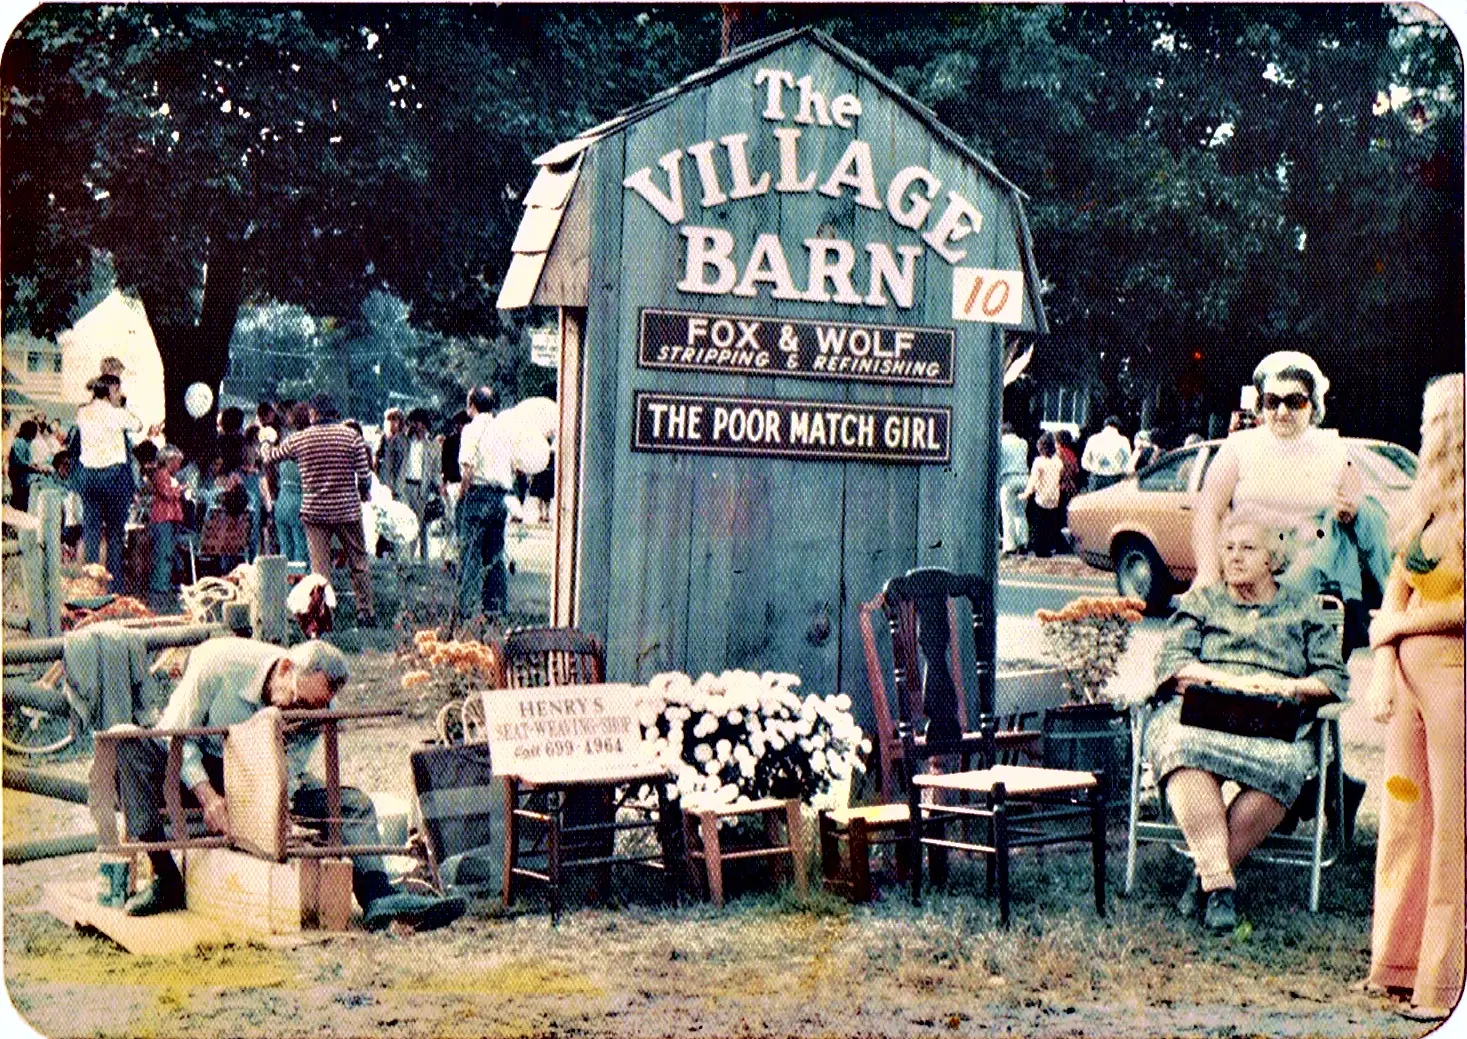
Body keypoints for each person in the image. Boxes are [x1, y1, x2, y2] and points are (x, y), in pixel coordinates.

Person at [112, 637, 467, 931]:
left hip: (259, 771)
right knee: (128, 747)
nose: (302, 712)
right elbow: (176, 736)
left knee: (353, 805)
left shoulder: (317, 704)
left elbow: (290, 768)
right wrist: (207, 795)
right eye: (298, 701)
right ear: (284, 669)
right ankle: (165, 877)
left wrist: (278, 810)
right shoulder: (218, 664)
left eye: (313, 708)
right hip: (194, 761)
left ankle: (379, 896)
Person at [1149, 508, 1348, 932]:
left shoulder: (1302, 609)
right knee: (1181, 749)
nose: (1235, 557)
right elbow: (1171, 664)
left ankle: (1204, 877)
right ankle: (1219, 883)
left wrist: (1285, 688)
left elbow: (1333, 677)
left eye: (1247, 548)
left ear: (1272, 559)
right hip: (1200, 710)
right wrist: (1222, 678)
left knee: (1285, 766)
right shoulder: (1202, 602)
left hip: (1271, 717)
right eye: (1228, 549)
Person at [1360, 374, 1464, 1022]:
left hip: (1454, 679)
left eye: (1432, 418)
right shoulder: (1422, 503)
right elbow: (1396, 587)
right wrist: (1380, 661)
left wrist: (1399, 627)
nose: (1423, 428)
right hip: (1406, 685)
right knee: (1403, 819)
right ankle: (1394, 964)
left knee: (1453, 828)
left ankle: (1442, 980)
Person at [1194, 350, 1391, 656]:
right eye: (1273, 401)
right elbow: (1209, 510)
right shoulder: (1239, 448)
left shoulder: (1334, 449)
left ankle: (1392, 605)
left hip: (1314, 580)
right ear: (1261, 405)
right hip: (1249, 577)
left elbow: (1358, 508)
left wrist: (1349, 512)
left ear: (1313, 406)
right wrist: (1207, 572)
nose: (1282, 412)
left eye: (1294, 402)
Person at [259, 394, 376, 626]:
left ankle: (324, 614)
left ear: (313, 414)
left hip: (315, 511)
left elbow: (270, 458)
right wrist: (363, 491)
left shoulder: (300, 439)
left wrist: (265, 442)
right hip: (347, 510)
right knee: (358, 562)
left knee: (320, 569)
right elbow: (364, 475)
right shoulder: (351, 437)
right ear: (335, 413)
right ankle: (365, 612)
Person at [75, 373, 143, 591]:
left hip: (89, 476)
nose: (119, 395)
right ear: (109, 391)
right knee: (115, 533)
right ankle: (114, 586)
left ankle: (91, 584)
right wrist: (122, 407)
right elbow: (138, 425)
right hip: (114, 476)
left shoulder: (82, 413)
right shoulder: (117, 414)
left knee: (92, 530)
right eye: (116, 391)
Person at [457, 386, 515, 621]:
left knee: (470, 556)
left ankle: (467, 610)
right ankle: (496, 610)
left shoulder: (471, 430)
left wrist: (461, 495)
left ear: (472, 406)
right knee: (494, 557)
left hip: (478, 494)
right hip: (499, 497)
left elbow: (468, 468)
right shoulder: (504, 430)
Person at [267, 402, 311, 565]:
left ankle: (286, 587)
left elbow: (270, 459)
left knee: (286, 551)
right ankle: (301, 586)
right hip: (301, 498)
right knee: (302, 550)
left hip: (283, 498)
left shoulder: (287, 441)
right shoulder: (307, 442)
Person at [400, 409, 440, 560]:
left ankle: (424, 559)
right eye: (414, 423)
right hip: (406, 486)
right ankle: (407, 560)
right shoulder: (406, 441)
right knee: (407, 524)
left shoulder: (432, 444)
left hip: (422, 488)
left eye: (418, 422)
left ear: (424, 424)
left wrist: (438, 487)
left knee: (421, 525)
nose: (416, 426)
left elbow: (436, 470)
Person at [148, 446, 184, 610]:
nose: (179, 466)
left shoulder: (169, 476)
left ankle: (164, 583)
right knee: (163, 553)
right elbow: (167, 494)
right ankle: (159, 586)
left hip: (170, 519)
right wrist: (180, 490)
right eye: (177, 462)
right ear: (169, 461)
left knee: (168, 553)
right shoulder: (161, 475)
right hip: (162, 518)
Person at [1019, 432, 1065, 558]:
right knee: (1049, 524)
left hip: (1041, 497)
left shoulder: (1038, 462)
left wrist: (1026, 493)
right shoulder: (1058, 462)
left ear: (1041, 447)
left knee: (1038, 524)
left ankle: (1039, 549)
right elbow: (1060, 477)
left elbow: (1033, 480)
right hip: (1054, 497)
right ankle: (1048, 548)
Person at [997, 422, 1029, 555]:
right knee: (1020, 512)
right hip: (1024, 477)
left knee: (1008, 513)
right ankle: (1023, 541)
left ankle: (1009, 546)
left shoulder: (1001, 444)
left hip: (1008, 478)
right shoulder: (1023, 443)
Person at [1081, 416, 1131, 491]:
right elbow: (1128, 463)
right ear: (1118, 427)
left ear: (1105, 425)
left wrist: (1094, 468)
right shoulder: (1123, 441)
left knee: (1094, 501)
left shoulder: (1093, 439)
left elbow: (1084, 462)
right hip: (1114, 479)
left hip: (1095, 478)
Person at [7, 419, 46, 512]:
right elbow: (21, 463)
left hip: (21, 479)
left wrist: (34, 465)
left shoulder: (24, 442)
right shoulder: (20, 442)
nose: (36, 433)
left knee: (21, 502)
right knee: (19, 504)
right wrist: (38, 469)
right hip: (19, 479)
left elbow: (25, 461)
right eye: (35, 430)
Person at [378, 407, 408, 498]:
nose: (391, 423)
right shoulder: (383, 438)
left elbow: (400, 464)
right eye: (389, 420)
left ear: (400, 422)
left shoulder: (402, 440)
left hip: (397, 484)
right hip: (383, 481)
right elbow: (378, 458)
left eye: (394, 419)